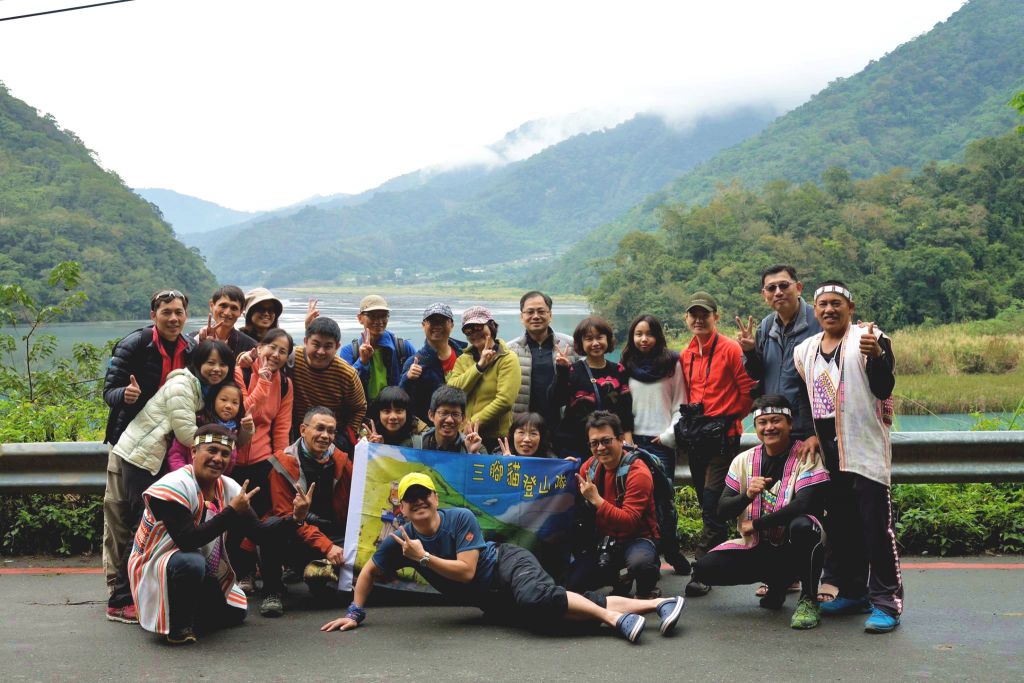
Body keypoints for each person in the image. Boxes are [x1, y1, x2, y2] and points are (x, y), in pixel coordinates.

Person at [320, 472, 685, 643]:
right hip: (490, 599)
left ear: (435, 498)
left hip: (508, 565)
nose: (418, 502)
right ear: (400, 506)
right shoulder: (401, 539)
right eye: (409, 498)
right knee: (553, 618)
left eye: (424, 495)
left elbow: (466, 572)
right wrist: (355, 613)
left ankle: (613, 619)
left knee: (538, 598)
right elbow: (368, 571)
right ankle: (661, 604)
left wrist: (424, 558)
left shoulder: (458, 518)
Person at [128, 424, 312, 644]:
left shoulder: (229, 487)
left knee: (235, 614)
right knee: (191, 562)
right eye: (212, 450)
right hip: (155, 563)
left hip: (201, 562)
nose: (218, 458)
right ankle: (179, 628)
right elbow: (188, 541)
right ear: (194, 452)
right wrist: (232, 511)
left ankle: (191, 608)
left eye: (225, 454)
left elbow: (260, 534)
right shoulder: (173, 485)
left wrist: (295, 518)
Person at [794, 280, 902, 634]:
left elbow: (884, 387)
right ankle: (855, 592)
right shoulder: (806, 349)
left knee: (875, 528)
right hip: (828, 453)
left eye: (836, 303)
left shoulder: (870, 338)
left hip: (862, 447)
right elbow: (802, 396)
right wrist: (808, 432)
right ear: (815, 310)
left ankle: (887, 602)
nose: (829, 309)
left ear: (850, 309)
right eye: (822, 304)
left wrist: (877, 357)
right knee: (842, 526)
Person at [106, 338, 236, 621]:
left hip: (152, 457)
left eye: (222, 364)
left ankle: (141, 593)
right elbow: (188, 436)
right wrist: (224, 444)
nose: (216, 369)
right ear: (197, 363)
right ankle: (119, 600)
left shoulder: (201, 388)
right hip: (141, 457)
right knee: (142, 526)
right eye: (210, 362)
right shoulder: (182, 387)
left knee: (154, 527)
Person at [688, 395, 830, 629]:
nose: (769, 427)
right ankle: (777, 583)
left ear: (790, 424)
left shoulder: (806, 455)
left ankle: (809, 599)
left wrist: (756, 524)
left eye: (776, 421)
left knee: (803, 526)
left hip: (794, 547)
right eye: (763, 422)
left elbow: (803, 504)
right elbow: (721, 510)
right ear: (755, 427)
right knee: (704, 569)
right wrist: (746, 496)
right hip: (759, 546)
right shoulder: (743, 460)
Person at [101, 288, 195, 620]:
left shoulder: (191, 348)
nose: (173, 318)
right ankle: (119, 597)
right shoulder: (135, 345)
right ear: (153, 314)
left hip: (170, 450)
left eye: (179, 312)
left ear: (186, 315)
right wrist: (125, 395)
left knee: (159, 521)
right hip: (132, 446)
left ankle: (147, 590)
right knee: (127, 521)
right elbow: (107, 392)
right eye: (166, 312)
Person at [676, 292, 757, 597]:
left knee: (712, 500)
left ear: (715, 318)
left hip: (723, 436)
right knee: (705, 500)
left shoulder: (730, 349)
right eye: (693, 314)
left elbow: (748, 389)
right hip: (697, 436)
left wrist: (728, 417)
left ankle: (702, 569)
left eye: (704, 314)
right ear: (687, 318)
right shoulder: (686, 354)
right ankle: (721, 561)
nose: (699, 319)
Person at [261, 407, 352, 617]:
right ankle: (272, 591)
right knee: (272, 528)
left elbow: (359, 497)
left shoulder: (342, 461)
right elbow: (285, 515)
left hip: (329, 532)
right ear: (303, 429)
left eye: (331, 431)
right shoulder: (282, 464)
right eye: (319, 428)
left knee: (331, 596)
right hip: (294, 532)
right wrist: (326, 546)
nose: (325, 436)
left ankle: (316, 577)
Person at [620, 313, 691, 575]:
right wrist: (625, 441)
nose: (644, 339)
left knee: (664, 501)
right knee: (633, 502)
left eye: (649, 334)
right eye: (638, 334)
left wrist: (668, 436)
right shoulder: (626, 363)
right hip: (631, 442)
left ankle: (671, 551)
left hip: (660, 442)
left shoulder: (672, 363)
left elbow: (680, 404)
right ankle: (640, 555)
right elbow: (621, 406)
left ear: (658, 336)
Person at [567, 412, 662, 600]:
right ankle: (619, 581)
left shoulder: (638, 472)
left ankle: (647, 588)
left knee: (641, 564)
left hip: (638, 538)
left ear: (620, 440)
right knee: (573, 584)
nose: (600, 448)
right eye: (594, 443)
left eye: (606, 441)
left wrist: (597, 500)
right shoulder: (589, 468)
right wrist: (565, 468)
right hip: (606, 542)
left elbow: (630, 521)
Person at [233, 327, 295, 589]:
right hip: (233, 459)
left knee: (261, 517)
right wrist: (263, 380)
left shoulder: (285, 385)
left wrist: (279, 466)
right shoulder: (241, 371)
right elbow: (241, 410)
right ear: (259, 347)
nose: (276, 354)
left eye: (283, 351)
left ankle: (261, 572)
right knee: (234, 518)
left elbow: (281, 427)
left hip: (262, 460)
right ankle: (240, 572)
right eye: (272, 347)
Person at [550, 316, 633, 459]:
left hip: (608, 444)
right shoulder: (572, 371)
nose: (595, 343)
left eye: (599, 337)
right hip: (575, 445)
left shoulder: (618, 370)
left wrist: (628, 440)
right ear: (581, 343)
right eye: (589, 339)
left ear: (608, 339)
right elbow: (555, 400)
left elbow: (625, 410)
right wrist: (562, 371)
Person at [446, 306, 521, 450]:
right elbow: (452, 391)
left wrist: (472, 423)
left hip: (495, 438)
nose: (474, 333)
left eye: (479, 327)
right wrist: (479, 367)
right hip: (464, 436)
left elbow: (505, 400)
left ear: (491, 327)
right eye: (468, 330)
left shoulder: (507, 359)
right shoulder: (464, 359)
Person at [290, 316, 367, 451]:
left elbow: (359, 407)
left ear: (337, 346)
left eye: (328, 346)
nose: (321, 352)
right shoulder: (292, 359)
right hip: (295, 431)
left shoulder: (347, 374)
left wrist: (344, 438)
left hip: (330, 436)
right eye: (316, 344)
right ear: (305, 341)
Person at [506, 291, 577, 426]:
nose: (536, 316)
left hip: (563, 426)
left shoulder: (570, 345)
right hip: (524, 429)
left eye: (541, 311)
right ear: (522, 317)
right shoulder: (510, 351)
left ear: (550, 315)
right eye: (530, 312)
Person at [339, 295, 417, 402]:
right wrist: (362, 361)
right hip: (364, 413)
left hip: (394, 411)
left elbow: (418, 379)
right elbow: (345, 387)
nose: (379, 321)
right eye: (372, 316)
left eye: (383, 316)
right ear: (360, 318)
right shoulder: (349, 351)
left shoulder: (402, 347)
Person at [399, 303, 467, 422]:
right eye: (432, 321)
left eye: (442, 321)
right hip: (430, 431)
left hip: (462, 426)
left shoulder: (464, 356)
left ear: (451, 325)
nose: (437, 326)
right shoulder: (414, 362)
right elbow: (401, 401)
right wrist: (407, 378)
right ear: (423, 325)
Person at [166, 381, 253, 473]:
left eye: (235, 403)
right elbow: (176, 455)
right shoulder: (197, 422)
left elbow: (227, 468)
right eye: (223, 400)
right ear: (214, 399)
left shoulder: (234, 430)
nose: (228, 406)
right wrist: (187, 477)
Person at [409, 386, 483, 453]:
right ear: (431, 415)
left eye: (455, 414)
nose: (449, 420)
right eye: (444, 413)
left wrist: (472, 454)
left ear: (463, 418)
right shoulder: (414, 445)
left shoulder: (476, 446)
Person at [192, 285, 258, 354]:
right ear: (212, 306)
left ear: (241, 312)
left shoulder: (250, 347)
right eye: (223, 306)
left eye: (234, 308)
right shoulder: (193, 340)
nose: (227, 313)